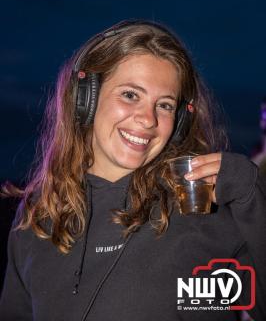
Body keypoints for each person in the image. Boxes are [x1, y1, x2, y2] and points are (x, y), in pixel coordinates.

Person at [0, 20, 265, 321]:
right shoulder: (37, 216)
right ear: (85, 98)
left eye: (164, 105)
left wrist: (251, 197)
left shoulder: (202, 212)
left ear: (179, 124)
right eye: (130, 95)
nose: (148, 119)